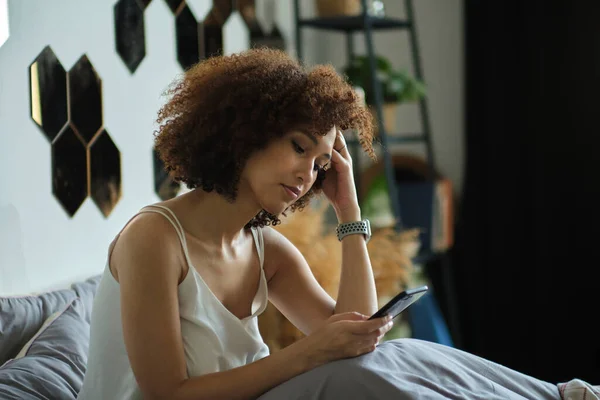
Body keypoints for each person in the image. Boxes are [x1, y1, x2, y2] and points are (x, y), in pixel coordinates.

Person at [78, 48, 594, 400]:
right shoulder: (155, 237)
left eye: (322, 163)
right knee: (350, 379)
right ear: (244, 133)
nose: (309, 173)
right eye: (300, 147)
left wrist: (350, 211)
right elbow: (167, 393)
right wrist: (306, 354)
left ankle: (563, 395)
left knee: (399, 352)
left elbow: (358, 331)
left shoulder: (264, 249)